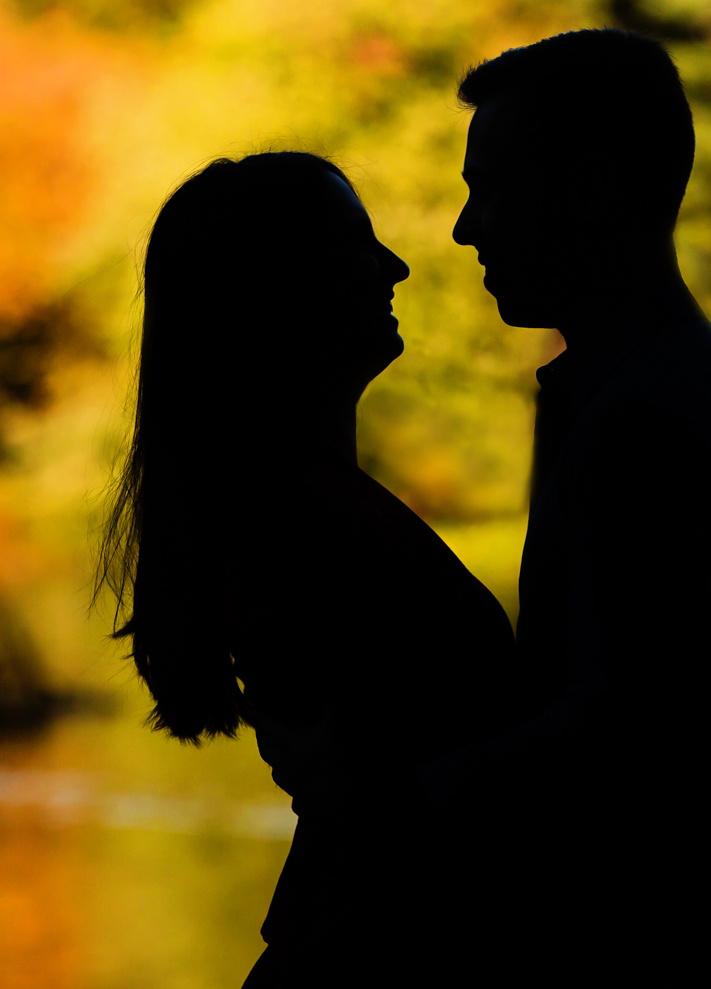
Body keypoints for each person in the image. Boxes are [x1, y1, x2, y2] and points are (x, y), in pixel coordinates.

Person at [434, 27, 711, 986]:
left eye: (492, 187)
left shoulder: (642, 423)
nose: (466, 228)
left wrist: (392, 806)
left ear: (591, 185)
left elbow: (620, 738)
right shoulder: (680, 390)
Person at [95, 152, 518, 987]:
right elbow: (384, 795)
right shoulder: (292, 521)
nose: (395, 266)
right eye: (360, 245)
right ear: (284, 291)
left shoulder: (304, 505)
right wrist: (678, 732)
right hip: (376, 948)